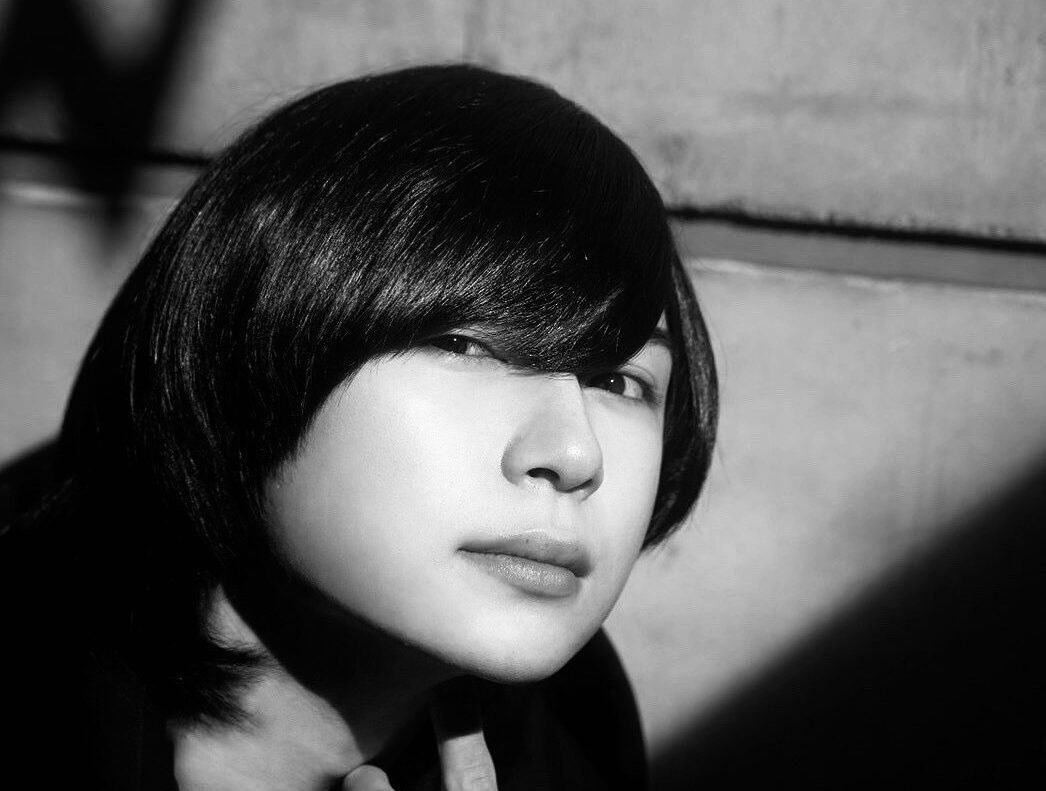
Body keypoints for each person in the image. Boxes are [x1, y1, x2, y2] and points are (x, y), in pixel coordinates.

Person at [0, 64, 717, 790]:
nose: (574, 452)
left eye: (620, 382)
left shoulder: (576, 731)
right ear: (242, 336)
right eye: (465, 344)